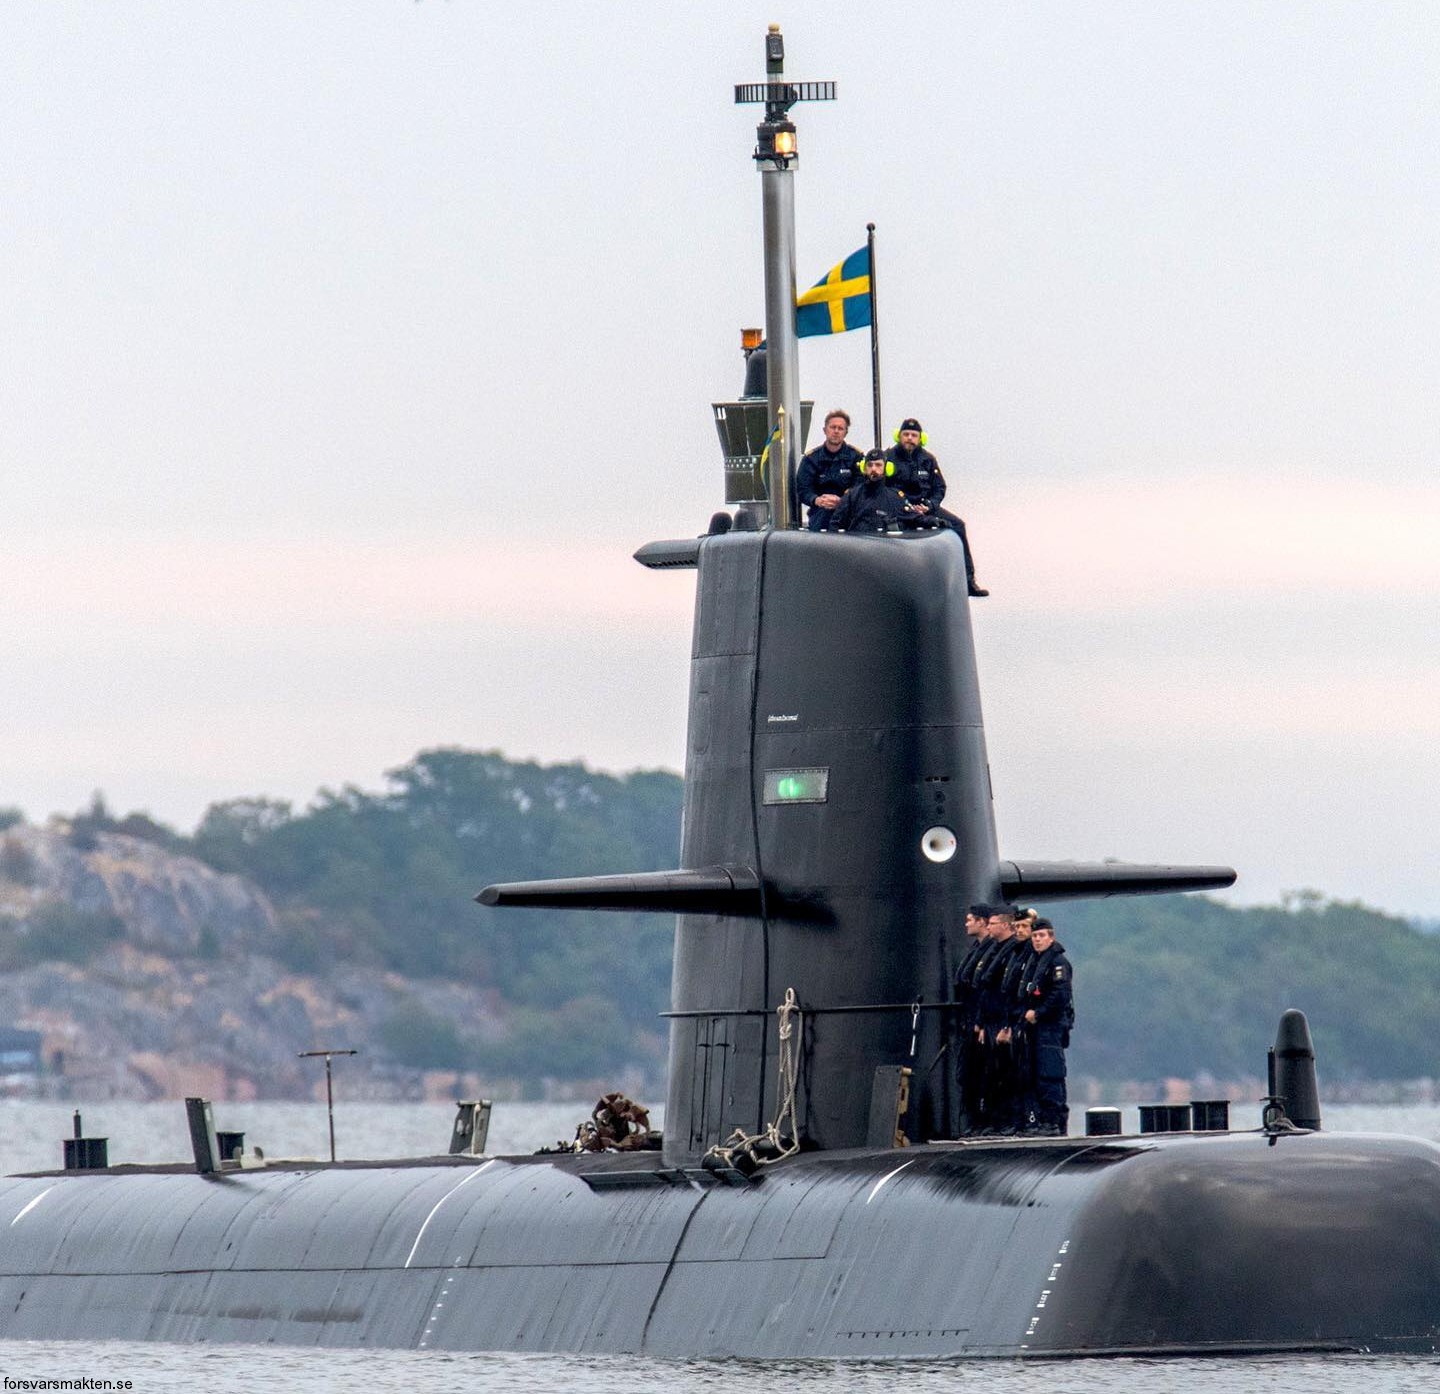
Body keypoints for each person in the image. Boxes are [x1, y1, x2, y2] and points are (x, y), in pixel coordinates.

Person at [883, 417, 987, 596]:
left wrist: (930, 505)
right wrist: (904, 505)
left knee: (958, 525)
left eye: (913, 435)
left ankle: (968, 581)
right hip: (900, 509)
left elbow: (939, 487)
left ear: (920, 438)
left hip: (925, 506)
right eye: (906, 434)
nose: (909, 438)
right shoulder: (889, 458)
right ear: (898, 436)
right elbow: (883, 487)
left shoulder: (928, 460)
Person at [1023, 918, 1074, 1136]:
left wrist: (1039, 1013)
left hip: (1050, 1027)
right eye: (1034, 936)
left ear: (1051, 937)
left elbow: (1059, 995)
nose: (1036, 940)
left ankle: (1054, 1123)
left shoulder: (1057, 963)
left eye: (1041, 936)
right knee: (1039, 1075)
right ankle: (1044, 1121)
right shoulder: (1038, 962)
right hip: (1038, 1028)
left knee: (1050, 1074)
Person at [953, 905, 992, 1135]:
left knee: (983, 1076)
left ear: (982, 922)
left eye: (970, 920)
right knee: (968, 1076)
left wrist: (981, 1022)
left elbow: (986, 992)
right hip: (970, 1023)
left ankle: (984, 1123)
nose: (966, 924)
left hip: (981, 1024)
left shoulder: (991, 951)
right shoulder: (977, 949)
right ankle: (974, 1123)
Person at [796, 409, 863, 532]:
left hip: (848, 515)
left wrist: (842, 501)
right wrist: (816, 500)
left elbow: (860, 487)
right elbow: (803, 489)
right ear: (825, 430)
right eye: (833, 427)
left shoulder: (856, 457)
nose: (836, 431)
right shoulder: (811, 459)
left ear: (845, 433)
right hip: (820, 514)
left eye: (840, 428)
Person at [828, 448, 918, 534]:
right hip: (857, 546)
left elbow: (916, 519)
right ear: (864, 468)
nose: (874, 469)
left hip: (885, 545)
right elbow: (835, 525)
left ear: (887, 468)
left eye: (878, 465)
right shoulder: (852, 496)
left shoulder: (895, 497)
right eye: (870, 465)